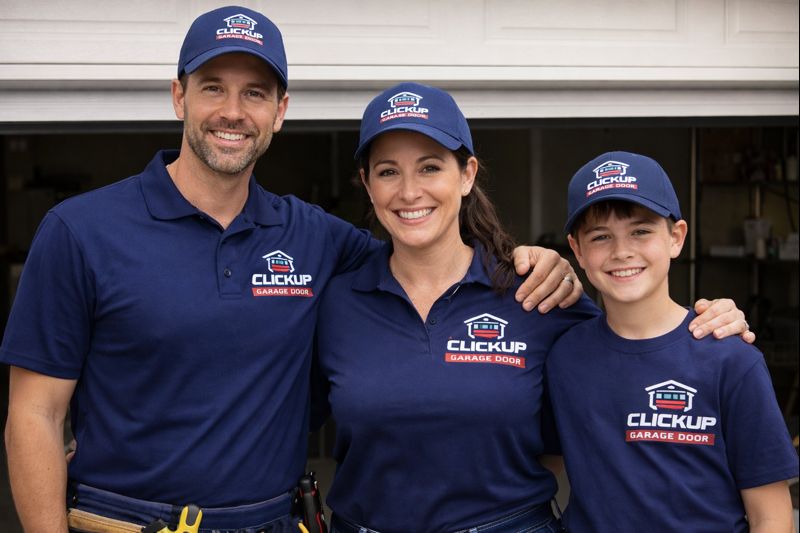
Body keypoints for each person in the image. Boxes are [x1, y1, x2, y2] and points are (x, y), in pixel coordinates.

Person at [0, 7, 601, 533]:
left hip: (271, 521)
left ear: (280, 111)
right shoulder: (80, 231)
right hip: (124, 520)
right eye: (213, 88)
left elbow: (427, 252)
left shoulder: (318, 241)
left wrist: (539, 262)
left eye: (255, 93)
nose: (233, 112)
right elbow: (35, 414)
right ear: (179, 96)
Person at [312, 83, 755, 533]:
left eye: (430, 167)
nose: (410, 192)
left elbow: (640, 347)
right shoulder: (335, 303)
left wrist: (709, 326)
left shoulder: (537, 295)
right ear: (367, 184)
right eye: (388, 172)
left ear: (467, 174)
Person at [545, 151, 798, 532]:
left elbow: (772, 518)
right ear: (577, 250)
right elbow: (539, 464)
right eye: (600, 237)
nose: (622, 251)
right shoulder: (563, 355)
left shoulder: (729, 356)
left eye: (640, 231)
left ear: (676, 237)